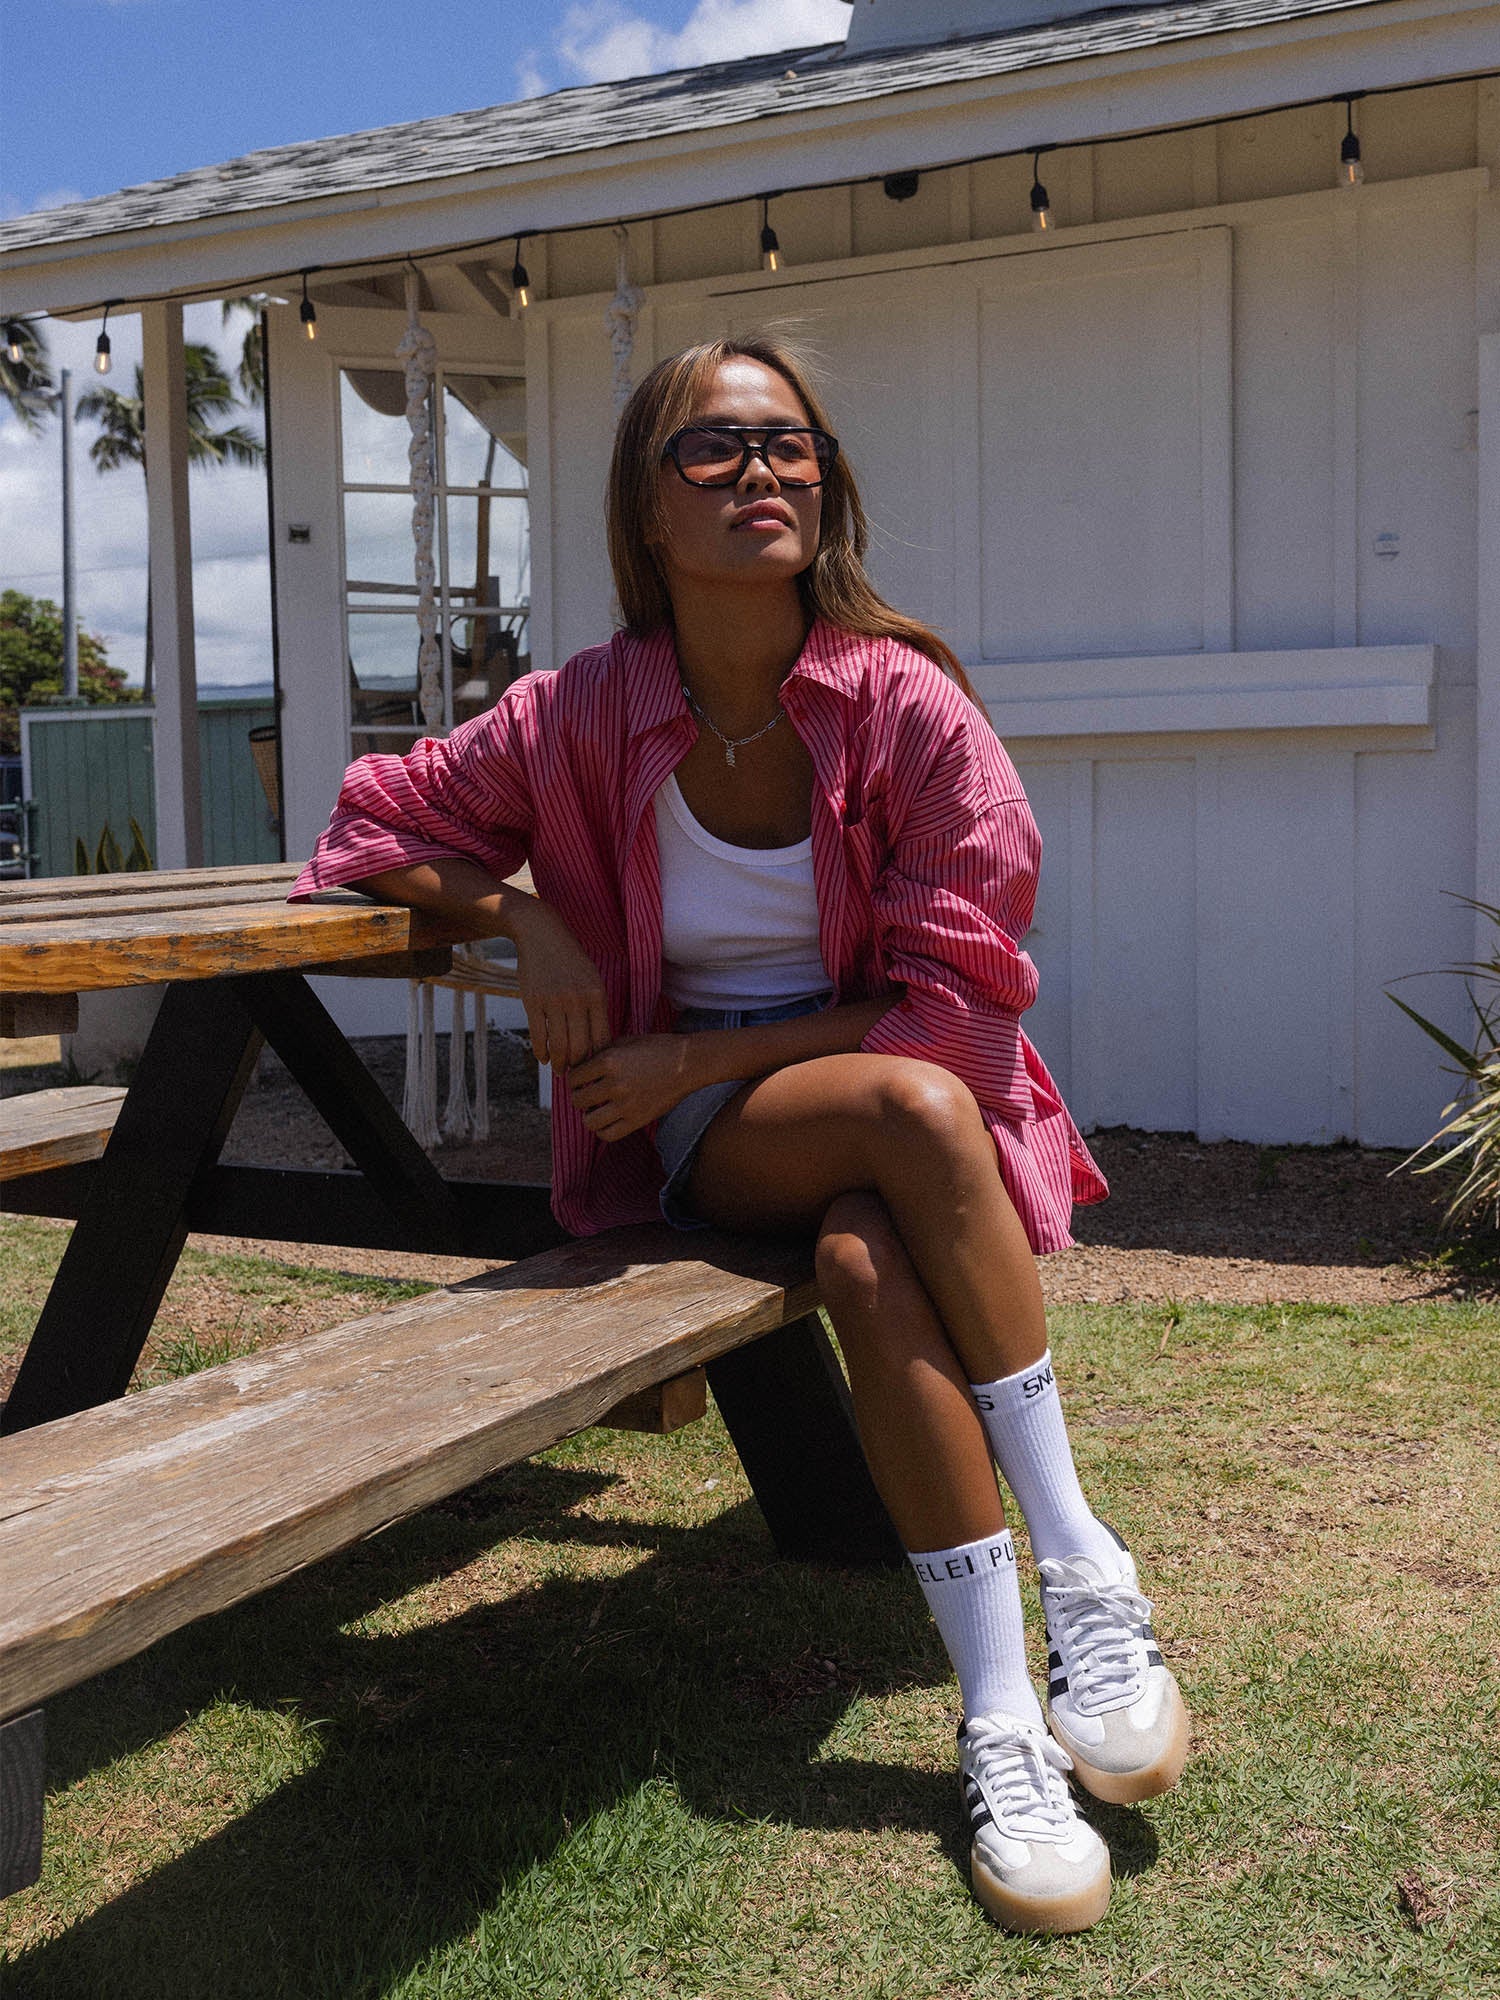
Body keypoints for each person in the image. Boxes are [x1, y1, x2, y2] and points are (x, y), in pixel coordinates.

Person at [291, 333, 1189, 1935]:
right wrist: (522, 914)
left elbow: (963, 1008)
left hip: (887, 1086)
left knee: (868, 1242)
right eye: (712, 450)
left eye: (789, 448)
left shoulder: (906, 705)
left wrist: (712, 1037)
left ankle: (1006, 1706)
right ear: (648, 505)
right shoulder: (580, 713)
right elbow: (372, 822)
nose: (760, 474)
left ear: (824, 484)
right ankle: (1087, 1568)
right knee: (904, 1123)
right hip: (708, 1131)